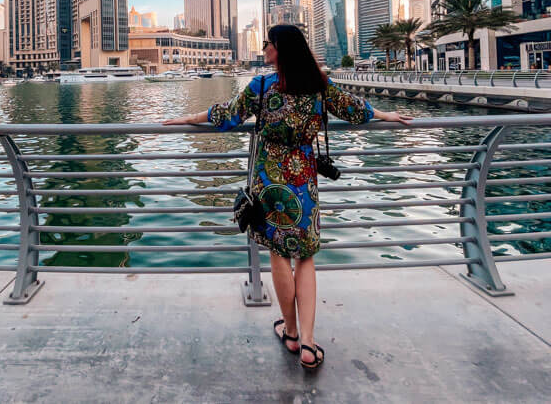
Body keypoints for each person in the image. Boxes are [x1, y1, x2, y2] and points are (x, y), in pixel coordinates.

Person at [163, 24, 411, 370]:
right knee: (305, 259)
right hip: (303, 183)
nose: (264, 47)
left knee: (279, 256)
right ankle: (308, 342)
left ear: (280, 49)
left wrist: (187, 118)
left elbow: (227, 115)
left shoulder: (262, 86)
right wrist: (386, 115)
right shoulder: (318, 85)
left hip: (270, 184)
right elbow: (354, 109)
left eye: (269, 43)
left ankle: (291, 333)